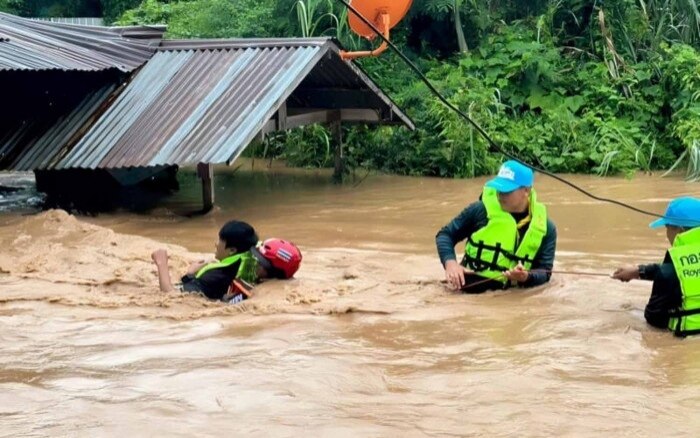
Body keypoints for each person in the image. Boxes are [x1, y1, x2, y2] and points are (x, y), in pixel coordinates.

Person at [436, 160, 557, 293]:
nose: (500, 195)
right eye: (499, 189)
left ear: (526, 191)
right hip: (465, 291)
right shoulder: (480, 210)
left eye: (507, 191)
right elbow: (445, 235)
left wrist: (526, 277)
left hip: (510, 300)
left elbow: (545, 272)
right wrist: (451, 264)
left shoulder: (546, 228)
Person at [612, 197, 700, 337]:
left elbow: (654, 319)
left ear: (680, 231)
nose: (666, 235)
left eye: (667, 228)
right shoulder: (670, 271)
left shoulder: (668, 273)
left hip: (685, 344)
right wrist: (639, 271)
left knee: (630, 313)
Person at [151, 220, 259, 302]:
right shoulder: (241, 267)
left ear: (232, 250)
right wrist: (190, 275)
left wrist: (162, 263)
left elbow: (170, 294)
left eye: (220, 240)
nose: (216, 244)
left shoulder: (217, 275)